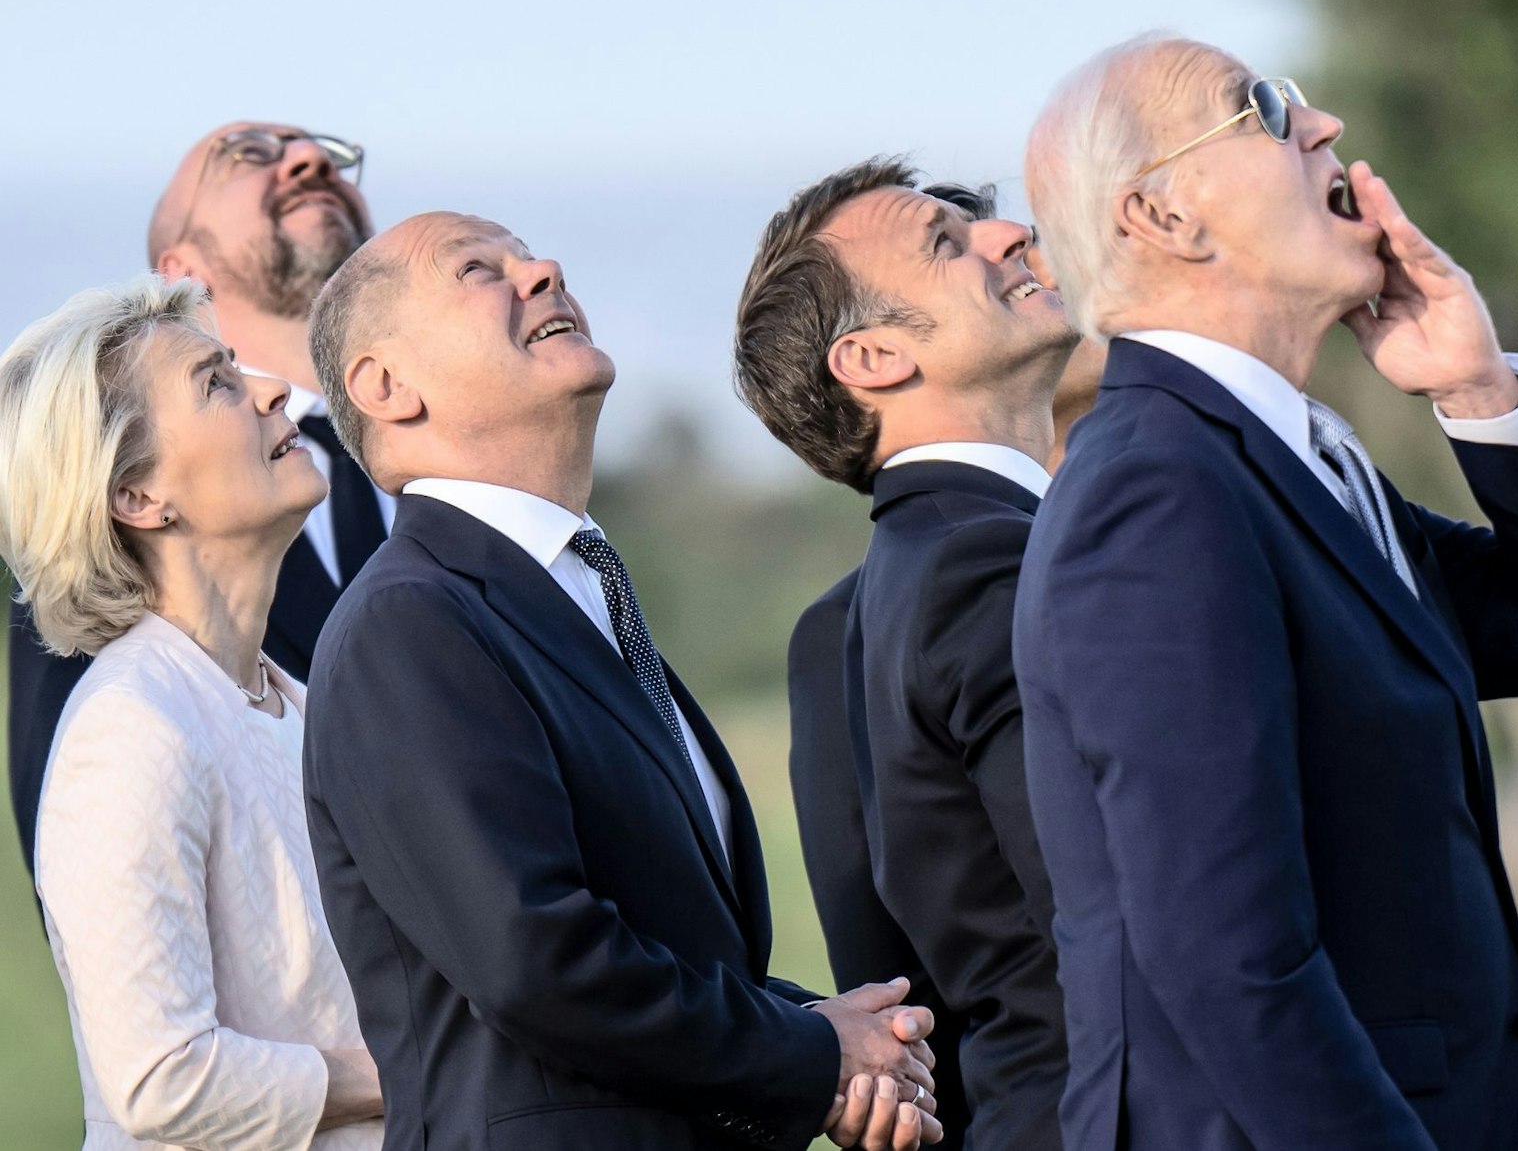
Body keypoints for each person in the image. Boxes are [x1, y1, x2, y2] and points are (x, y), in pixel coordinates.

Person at [1015, 35, 1518, 1150]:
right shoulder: (1157, 495)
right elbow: (1227, 956)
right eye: (1264, 109)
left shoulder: (1286, 466)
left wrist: (1478, 386)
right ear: (1163, 218)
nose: (1323, 128)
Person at [303, 211, 942, 1151]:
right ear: (387, 387)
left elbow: (667, 942)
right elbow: (540, 960)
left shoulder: (574, 592)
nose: (544, 270)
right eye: (480, 270)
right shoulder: (409, 623)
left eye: (531, 255)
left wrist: (843, 1033)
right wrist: (813, 1053)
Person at [735, 159, 1081, 1149]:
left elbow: (896, 999)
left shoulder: (838, 625)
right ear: (873, 358)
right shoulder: (1003, 565)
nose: (1008, 234)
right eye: (945, 241)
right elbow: (1130, 919)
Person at [0, 275, 384, 1148]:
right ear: (136, 496)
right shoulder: (129, 731)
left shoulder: (295, 701)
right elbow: (160, 1075)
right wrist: (400, 1069)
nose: (273, 389)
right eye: (218, 381)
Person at [7, 122, 388, 875]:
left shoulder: (449, 453)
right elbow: (96, 875)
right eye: (247, 157)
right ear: (180, 270)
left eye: (331, 156)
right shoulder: (108, 549)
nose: (312, 160)